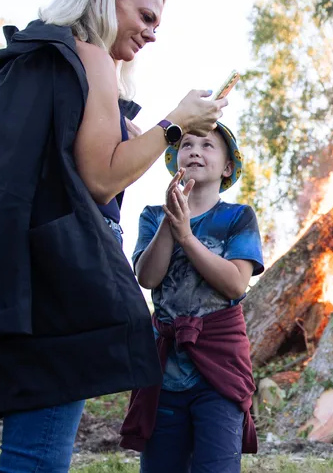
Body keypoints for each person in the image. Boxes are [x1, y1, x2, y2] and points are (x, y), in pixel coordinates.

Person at [0, 0, 227, 473]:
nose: (153, 33)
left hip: (29, 271)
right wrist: (177, 122)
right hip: (62, 281)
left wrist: (149, 137)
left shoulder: (48, 57)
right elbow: (102, 178)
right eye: (146, 16)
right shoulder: (91, 56)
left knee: (30, 449)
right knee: (39, 456)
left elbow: (96, 166)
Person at [120, 124, 264, 471]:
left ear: (227, 167)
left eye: (207, 145)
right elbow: (148, 277)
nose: (195, 150)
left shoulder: (238, 217)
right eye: (186, 144)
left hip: (219, 370)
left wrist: (187, 236)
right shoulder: (153, 216)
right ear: (176, 161)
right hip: (165, 373)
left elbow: (235, 284)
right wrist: (171, 223)